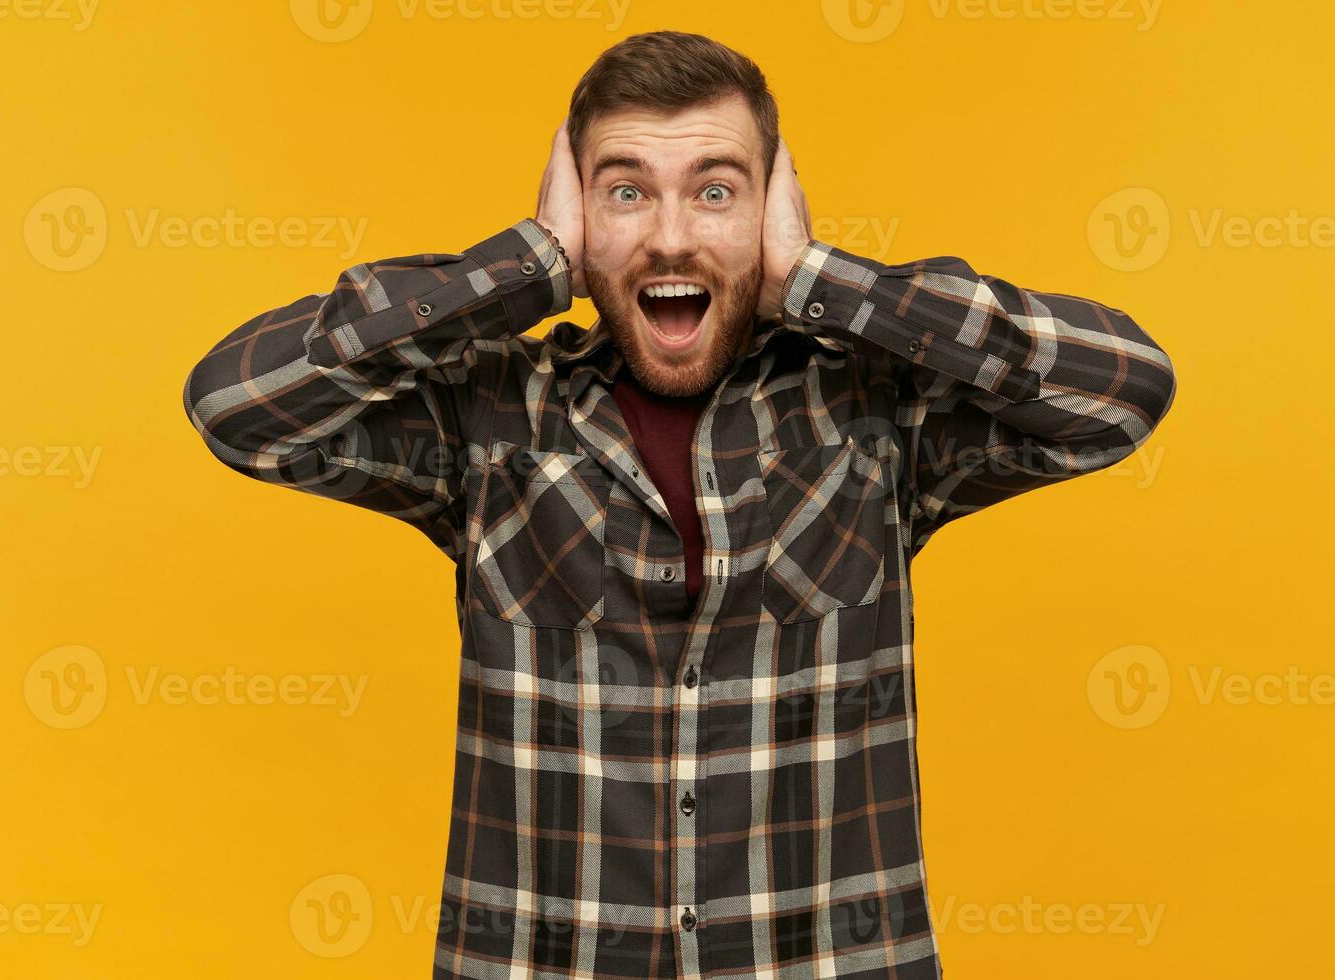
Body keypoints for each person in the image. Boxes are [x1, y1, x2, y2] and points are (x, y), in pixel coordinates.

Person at [182, 30, 1176, 980]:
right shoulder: (487, 420)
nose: (668, 237)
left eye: (716, 191)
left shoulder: (875, 413)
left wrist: (818, 278)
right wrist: (526, 264)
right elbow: (237, 403)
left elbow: (1121, 391)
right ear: (577, 213)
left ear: (769, 210)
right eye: (625, 191)